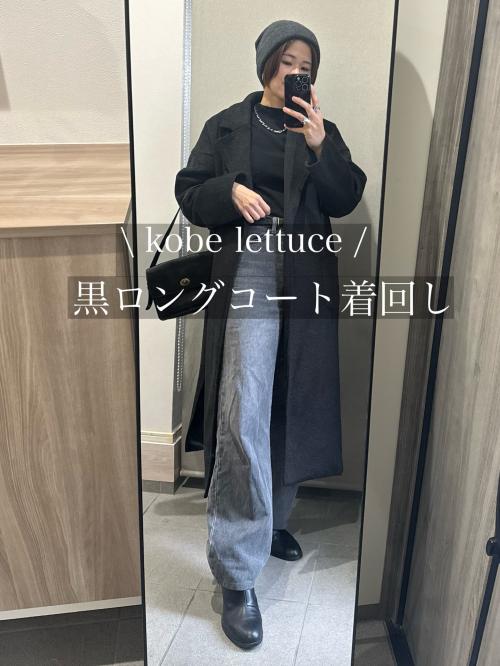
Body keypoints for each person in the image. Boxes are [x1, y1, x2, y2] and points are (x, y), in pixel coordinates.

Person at [175, 19, 367, 650]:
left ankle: (269, 522)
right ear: (266, 65)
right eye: (287, 62)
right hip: (251, 264)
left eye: (306, 66)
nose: (296, 74)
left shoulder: (319, 129)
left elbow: (345, 196)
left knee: (292, 400)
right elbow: (188, 191)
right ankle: (237, 573)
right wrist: (229, 191)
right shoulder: (227, 125)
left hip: (306, 271)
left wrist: (320, 145)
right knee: (246, 404)